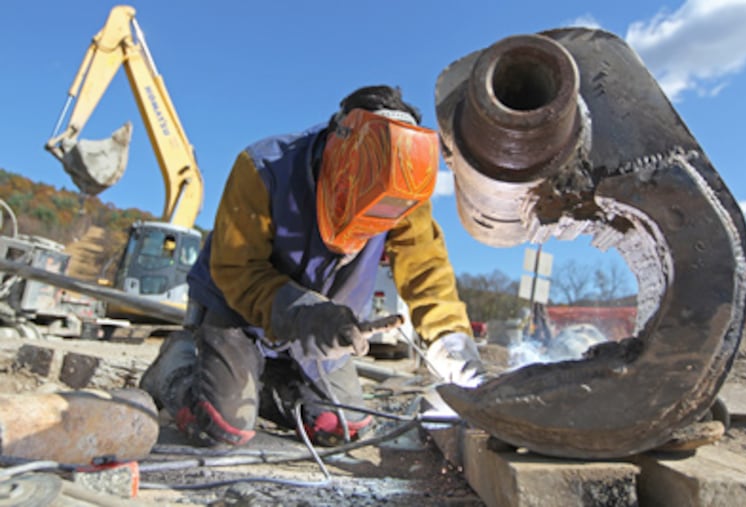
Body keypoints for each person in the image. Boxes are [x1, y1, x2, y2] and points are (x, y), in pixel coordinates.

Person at [139, 85, 486, 448]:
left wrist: (452, 344)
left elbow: (425, 272)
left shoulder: (403, 189)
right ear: (337, 152)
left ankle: (264, 380)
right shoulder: (264, 168)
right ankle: (175, 368)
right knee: (221, 427)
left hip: (324, 330)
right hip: (239, 316)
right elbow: (235, 270)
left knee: (341, 427)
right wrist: (305, 312)